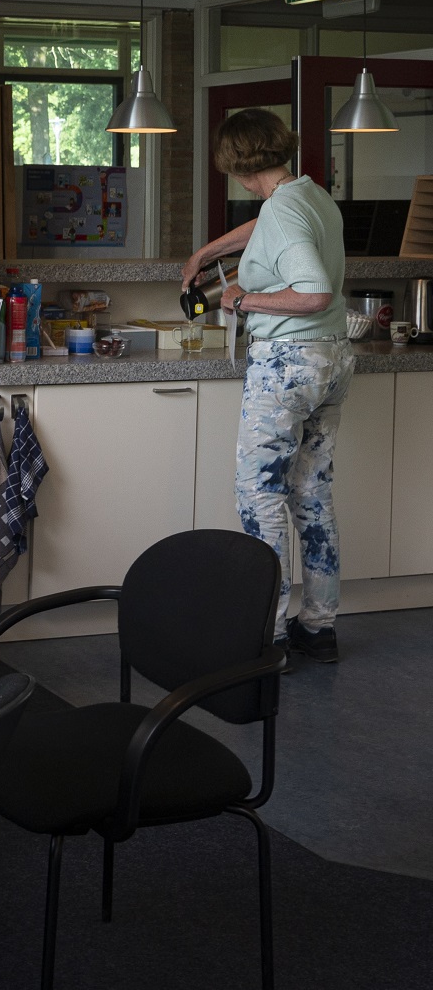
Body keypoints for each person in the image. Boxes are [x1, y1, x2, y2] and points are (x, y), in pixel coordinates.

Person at [180, 107, 351, 664]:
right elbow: (272, 226)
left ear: (234, 165)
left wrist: (241, 299)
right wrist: (209, 252)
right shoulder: (308, 194)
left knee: (260, 497)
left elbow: (314, 292)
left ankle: (266, 632)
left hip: (287, 364)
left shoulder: (283, 211)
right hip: (330, 360)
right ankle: (319, 627)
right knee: (311, 491)